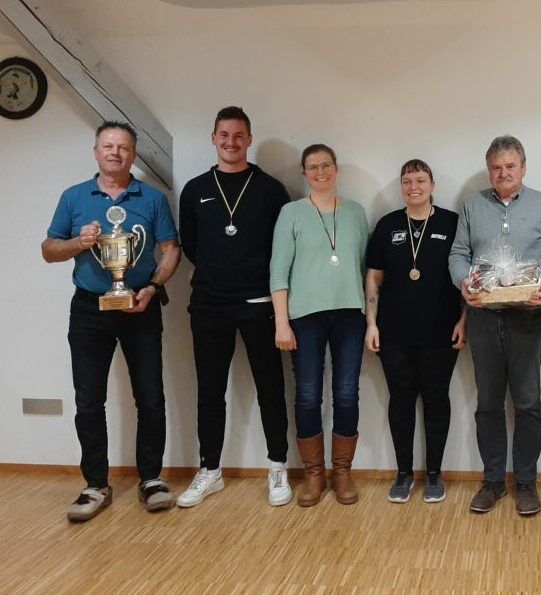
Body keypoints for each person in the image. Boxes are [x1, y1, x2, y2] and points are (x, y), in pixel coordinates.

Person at [41, 121, 181, 521]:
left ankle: (150, 479)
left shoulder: (152, 199)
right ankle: (95, 485)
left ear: (133, 154)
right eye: (108, 146)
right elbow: (49, 250)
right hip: (89, 309)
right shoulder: (73, 197)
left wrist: (153, 287)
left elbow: (171, 248)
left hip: (140, 305)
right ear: (96, 152)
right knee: (88, 400)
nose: (115, 152)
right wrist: (78, 242)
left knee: (150, 396)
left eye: (123, 147)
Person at [177, 106, 292, 508]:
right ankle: (210, 470)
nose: (231, 142)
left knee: (270, 389)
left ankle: (277, 465)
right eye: (224, 135)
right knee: (210, 391)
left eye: (239, 135)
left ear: (249, 139)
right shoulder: (195, 189)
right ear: (214, 139)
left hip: (259, 302)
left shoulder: (271, 190)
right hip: (209, 305)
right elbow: (191, 246)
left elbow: (283, 248)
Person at [449, 135, 541, 516]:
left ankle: (527, 483)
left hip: (527, 316)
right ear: (489, 170)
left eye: (510, 166)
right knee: (488, 403)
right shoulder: (472, 205)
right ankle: (493, 481)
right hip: (483, 317)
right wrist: (462, 281)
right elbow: (458, 253)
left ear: (523, 167)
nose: (503, 173)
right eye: (496, 167)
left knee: (528, 403)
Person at [270, 143, 369, 506]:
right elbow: (278, 271)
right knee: (309, 394)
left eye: (326, 165)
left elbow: (365, 269)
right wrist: (282, 323)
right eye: (313, 167)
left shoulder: (356, 213)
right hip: (305, 317)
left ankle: (342, 471)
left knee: (346, 393)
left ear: (336, 169)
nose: (320, 172)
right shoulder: (291, 213)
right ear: (304, 173)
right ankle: (314, 474)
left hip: (350, 315)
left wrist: (371, 315)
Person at [365, 159, 466, 504]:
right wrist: (371, 324)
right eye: (407, 181)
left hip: (441, 332)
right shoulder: (387, 225)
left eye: (420, 180)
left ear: (432, 185)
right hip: (394, 334)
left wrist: (464, 319)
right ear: (401, 187)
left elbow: (468, 276)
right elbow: (374, 278)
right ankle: (404, 473)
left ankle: (434, 473)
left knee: (437, 401)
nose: (414, 187)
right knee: (401, 401)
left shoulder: (452, 223)